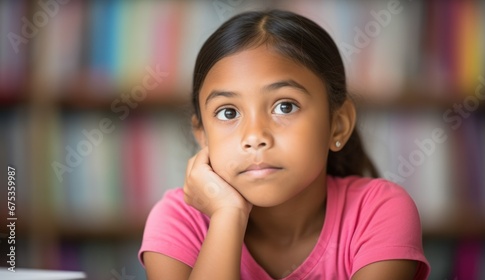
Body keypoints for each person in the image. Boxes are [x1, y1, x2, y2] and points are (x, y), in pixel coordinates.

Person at [139, 9, 430, 279]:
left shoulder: (379, 211)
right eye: (229, 112)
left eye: (285, 106)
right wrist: (228, 216)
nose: (254, 136)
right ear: (202, 135)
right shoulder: (177, 221)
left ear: (337, 123)